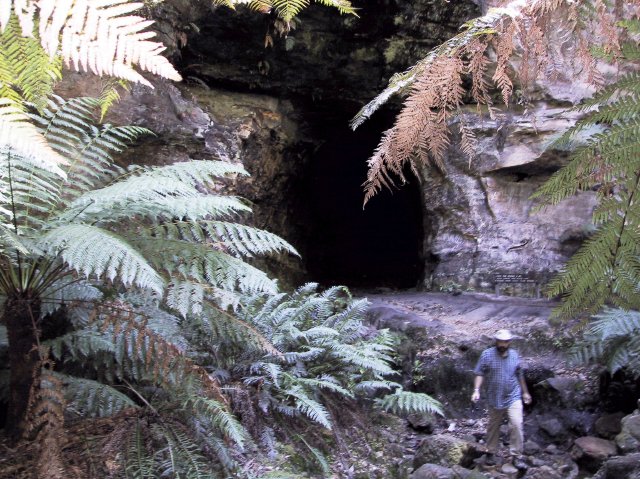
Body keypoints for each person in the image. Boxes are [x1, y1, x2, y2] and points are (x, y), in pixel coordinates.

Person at [471, 329, 531, 465]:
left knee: (516, 424)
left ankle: (516, 456)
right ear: (496, 341)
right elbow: (479, 372)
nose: (502, 344)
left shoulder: (514, 355)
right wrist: (476, 390)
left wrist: (525, 392)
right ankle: (491, 452)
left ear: (509, 342)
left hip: (513, 395)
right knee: (493, 425)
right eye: (500, 341)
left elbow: (519, 374)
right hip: (494, 396)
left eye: (505, 342)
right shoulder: (487, 355)